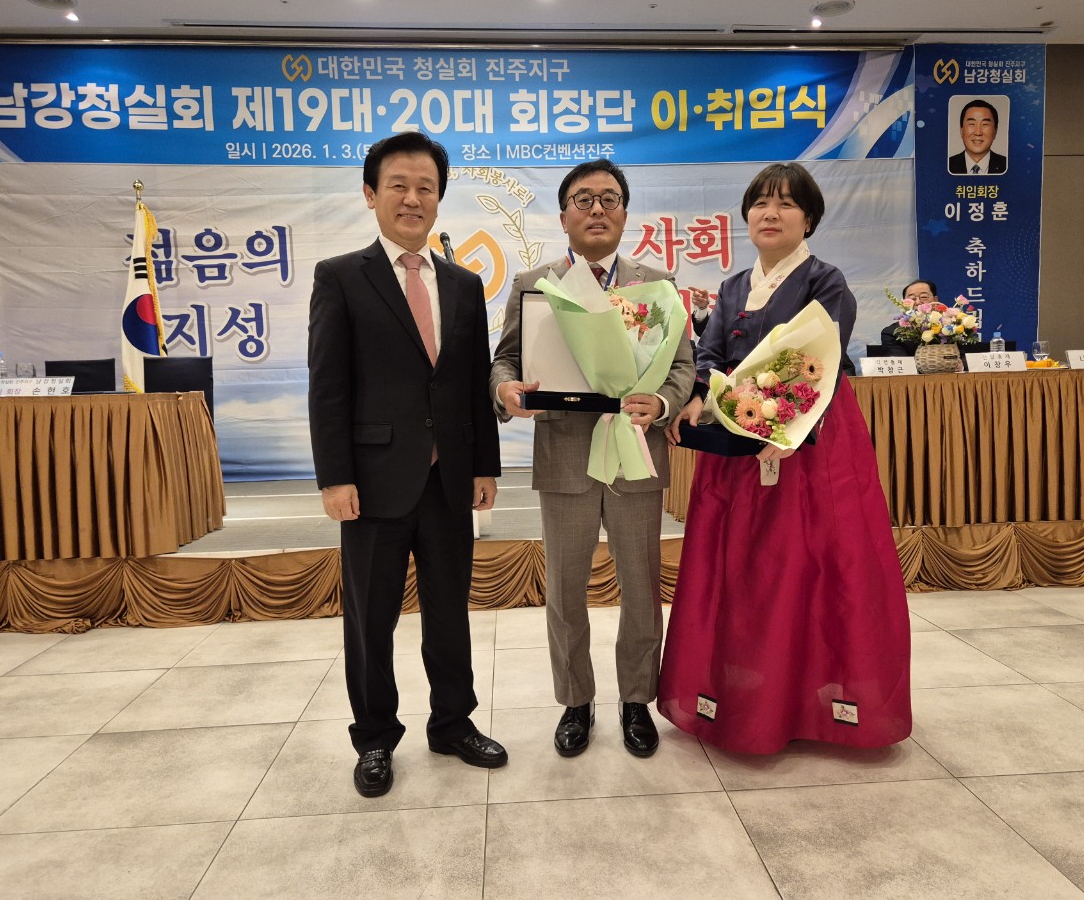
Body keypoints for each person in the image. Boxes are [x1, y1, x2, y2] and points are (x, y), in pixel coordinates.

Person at [660, 162, 912, 754]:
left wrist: (779, 419)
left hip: (810, 444)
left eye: (786, 204)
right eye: (760, 204)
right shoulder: (732, 287)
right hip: (738, 445)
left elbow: (819, 359)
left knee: (809, 565)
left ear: (809, 220)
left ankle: (809, 707)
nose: (770, 214)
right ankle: (749, 699)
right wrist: (698, 395)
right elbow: (710, 355)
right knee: (745, 569)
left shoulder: (826, 281)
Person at [307, 132, 505, 799]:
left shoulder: (463, 284)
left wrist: (484, 465)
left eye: (426, 187)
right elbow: (328, 387)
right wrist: (335, 477)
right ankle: (374, 736)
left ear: (439, 198)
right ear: (371, 194)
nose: (413, 198)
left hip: (448, 481)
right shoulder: (340, 276)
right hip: (371, 484)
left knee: (450, 613)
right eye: (399, 185)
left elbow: (471, 382)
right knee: (371, 621)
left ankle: (453, 723)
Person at [490, 159, 695, 759]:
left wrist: (661, 402)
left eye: (609, 198)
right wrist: (505, 390)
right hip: (564, 455)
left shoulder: (657, 284)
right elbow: (505, 360)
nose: (597, 209)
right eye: (584, 199)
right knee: (564, 590)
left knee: (641, 586)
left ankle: (636, 701)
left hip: (635, 452)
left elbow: (682, 365)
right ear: (563, 217)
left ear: (625, 214)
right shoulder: (534, 283)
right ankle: (575, 702)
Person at [877, 279, 938, 357]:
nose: (918, 302)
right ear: (904, 303)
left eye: (924, 297)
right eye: (912, 298)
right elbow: (900, 362)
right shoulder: (892, 333)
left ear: (935, 300)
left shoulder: (950, 327)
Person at [948, 99, 1007, 175]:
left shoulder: (1008, 165)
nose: (978, 132)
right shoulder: (947, 165)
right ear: (961, 130)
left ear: (995, 131)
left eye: (985, 124)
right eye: (972, 124)